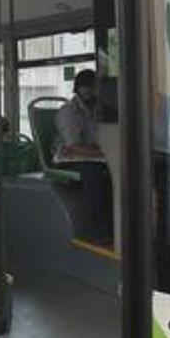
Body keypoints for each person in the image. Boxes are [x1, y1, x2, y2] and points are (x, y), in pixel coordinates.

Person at [53, 69, 112, 245]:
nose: (94, 92)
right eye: (91, 87)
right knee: (93, 175)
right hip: (68, 160)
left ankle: (114, 226)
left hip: (90, 156)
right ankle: (97, 231)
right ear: (81, 88)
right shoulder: (69, 112)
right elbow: (73, 146)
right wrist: (102, 153)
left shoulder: (95, 110)